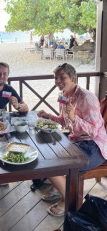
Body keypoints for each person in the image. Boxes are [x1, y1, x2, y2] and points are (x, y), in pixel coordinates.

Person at [37, 63, 107, 217]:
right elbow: (63, 121)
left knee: (49, 164)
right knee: (43, 151)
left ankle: (68, 197)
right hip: (75, 141)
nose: (58, 80)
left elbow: (94, 130)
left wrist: (75, 118)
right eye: (56, 77)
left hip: (94, 146)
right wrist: (48, 116)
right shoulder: (64, 95)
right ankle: (59, 185)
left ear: (73, 78)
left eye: (62, 77)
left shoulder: (86, 97)